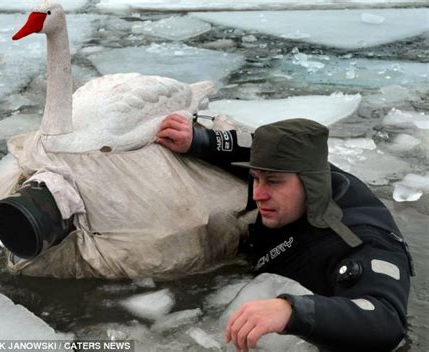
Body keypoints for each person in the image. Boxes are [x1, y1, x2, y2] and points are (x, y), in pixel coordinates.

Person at [156, 113, 414, 352]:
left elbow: (386, 319)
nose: (258, 194)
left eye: (273, 181)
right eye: (256, 178)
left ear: (312, 183)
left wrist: (293, 312)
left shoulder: (362, 239)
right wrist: (200, 140)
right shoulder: (302, 171)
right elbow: (253, 144)